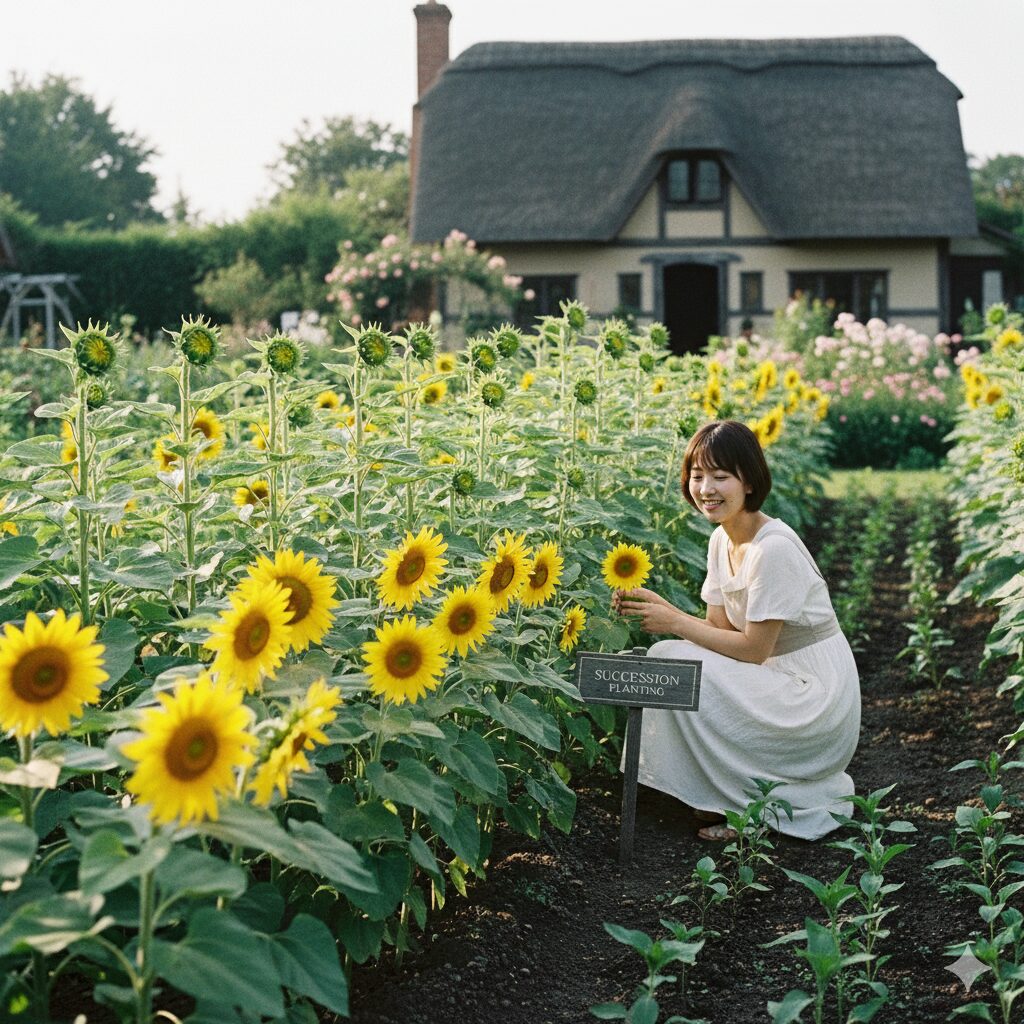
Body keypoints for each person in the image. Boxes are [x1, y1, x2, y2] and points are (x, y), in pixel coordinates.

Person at [612, 420, 860, 841]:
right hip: (779, 678)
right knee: (671, 658)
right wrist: (659, 609)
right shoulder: (721, 541)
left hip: (814, 696)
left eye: (720, 476)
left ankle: (746, 807)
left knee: (674, 657)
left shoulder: (773, 549)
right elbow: (717, 633)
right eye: (697, 475)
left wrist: (673, 620)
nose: (706, 488)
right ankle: (720, 793)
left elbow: (752, 651)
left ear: (749, 482)